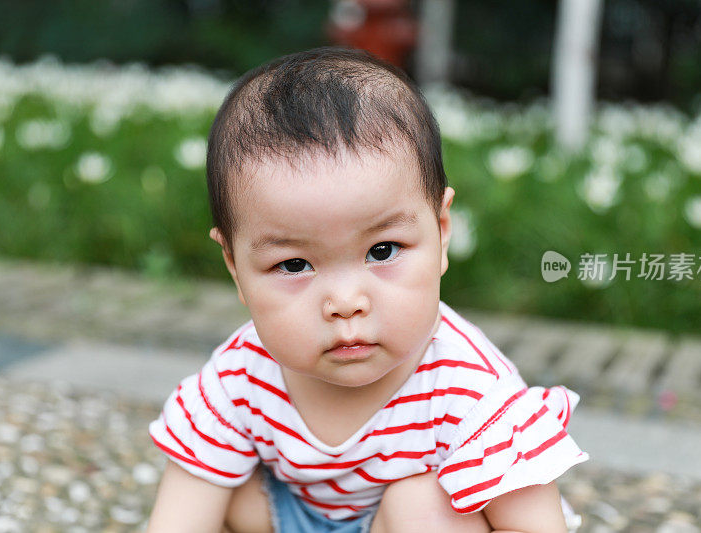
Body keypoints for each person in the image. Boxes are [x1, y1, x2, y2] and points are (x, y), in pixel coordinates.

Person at [146, 47, 588, 533]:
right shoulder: (242, 374)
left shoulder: (469, 389)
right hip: (297, 517)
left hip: (414, 522)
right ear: (235, 267)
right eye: (294, 264)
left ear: (442, 232)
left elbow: (534, 525)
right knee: (218, 481)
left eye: (382, 251)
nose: (345, 303)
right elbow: (182, 510)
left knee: (422, 508)